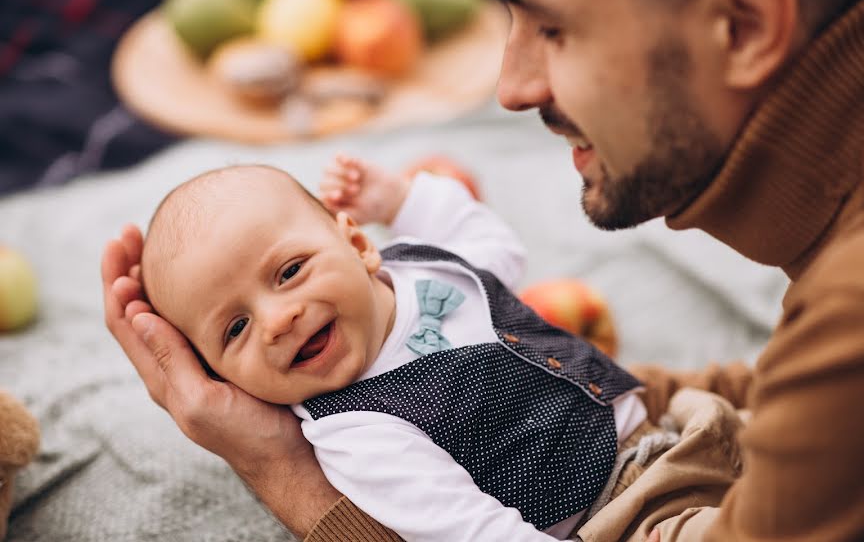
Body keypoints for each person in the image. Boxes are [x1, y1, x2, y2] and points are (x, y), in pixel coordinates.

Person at [103, 0, 864, 540]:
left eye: (554, 28)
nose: (510, 88)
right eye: (234, 326)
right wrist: (630, 394)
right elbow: (805, 405)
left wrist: (279, 468)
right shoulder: (849, 290)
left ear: (746, 22)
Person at [134, 155, 658, 541]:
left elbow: (498, 249)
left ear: (359, 245)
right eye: (235, 329)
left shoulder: (422, 267)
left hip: (657, 423)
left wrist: (404, 200)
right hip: (613, 515)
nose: (276, 320)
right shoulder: (354, 431)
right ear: (225, 377)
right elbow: (465, 529)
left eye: (290, 272)